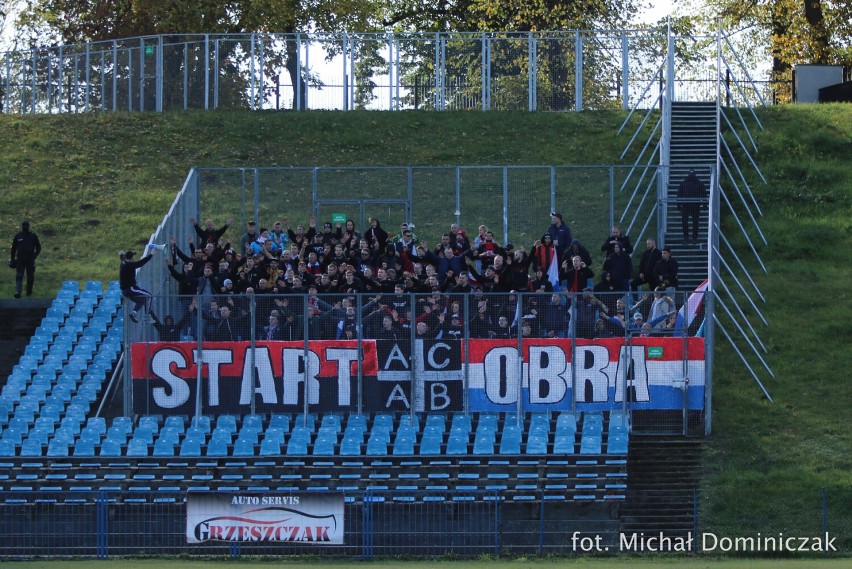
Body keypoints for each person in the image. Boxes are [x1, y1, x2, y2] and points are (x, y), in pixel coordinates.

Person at [119, 248, 157, 323]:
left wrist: (121, 254)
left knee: (142, 300)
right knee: (149, 296)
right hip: (130, 289)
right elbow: (140, 263)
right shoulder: (129, 265)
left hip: (125, 290)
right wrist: (151, 255)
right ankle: (147, 317)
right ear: (130, 259)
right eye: (132, 257)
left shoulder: (123, 263)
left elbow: (123, 257)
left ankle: (134, 313)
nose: (134, 259)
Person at [9, 221, 41, 298]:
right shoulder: (18, 236)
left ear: (28, 227)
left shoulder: (33, 236)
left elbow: (38, 247)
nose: (25, 228)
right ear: (22, 227)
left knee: (30, 277)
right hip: (20, 259)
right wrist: (12, 259)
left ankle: (29, 292)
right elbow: (13, 249)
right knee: (19, 275)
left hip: (30, 259)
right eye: (23, 226)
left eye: (26, 226)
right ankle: (18, 291)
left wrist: (35, 255)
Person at [677, 169, 708, 244]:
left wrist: (704, 204)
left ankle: (694, 238)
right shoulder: (684, 184)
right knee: (686, 222)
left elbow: (703, 194)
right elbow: (679, 195)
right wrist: (678, 204)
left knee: (695, 222)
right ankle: (687, 238)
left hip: (695, 206)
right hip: (686, 206)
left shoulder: (699, 184)